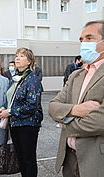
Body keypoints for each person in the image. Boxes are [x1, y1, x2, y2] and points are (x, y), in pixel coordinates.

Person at [48, 20, 104, 177]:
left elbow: (100, 120)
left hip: (96, 161)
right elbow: (53, 106)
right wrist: (74, 109)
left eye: (89, 38)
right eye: (81, 39)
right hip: (69, 158)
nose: (83, 43)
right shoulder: (76, 75)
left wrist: (64, 123)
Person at [0, 48, 43, 177]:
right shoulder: (15, 78)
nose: (17, 58)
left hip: (28, 124)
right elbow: (10, 98)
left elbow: (32, 105)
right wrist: (3, 107)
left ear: (29, 62)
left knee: (28, 159)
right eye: (16, 56)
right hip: (15, 123)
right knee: (20, 157)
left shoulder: (33, 79)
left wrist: (10, 111)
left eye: (21, 56)